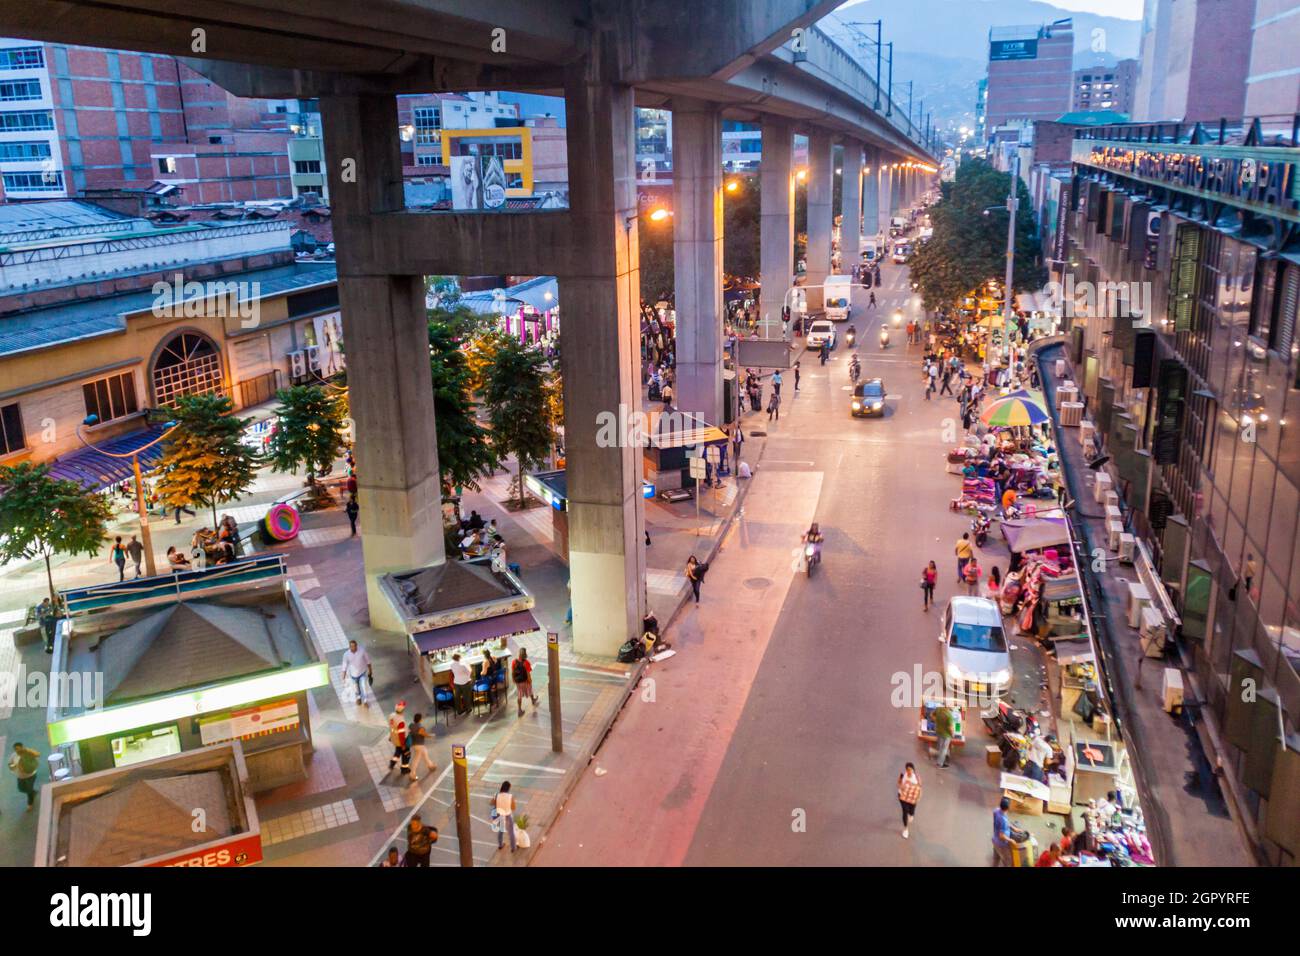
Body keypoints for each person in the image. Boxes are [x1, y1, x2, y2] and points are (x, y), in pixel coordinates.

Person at [9, 741, 39, 809]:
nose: (17, 750)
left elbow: (37, 754)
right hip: (20, 777)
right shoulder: (13, 755)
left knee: (29, 791)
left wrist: (28, 750)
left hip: (30, 776)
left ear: (22, 747)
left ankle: (30, 804)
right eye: (15, 749)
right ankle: (33, 791)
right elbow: (10, 764)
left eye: (18, 748)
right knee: (22, 789)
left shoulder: (28, 753)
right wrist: (13, 766)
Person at [408, 712, 436, 781]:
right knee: (416, 760)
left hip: (415, 744)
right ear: (420, 719)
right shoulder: (420, 727)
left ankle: (430, 766)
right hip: (419, 745)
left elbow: (410, 732)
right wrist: (431, 735)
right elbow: (423, 734)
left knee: (425, 754)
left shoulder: (411, 725)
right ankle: (412, 774)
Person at [897, 763, 922, 839]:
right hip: (903, 797)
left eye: (911, 770)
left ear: (913, 770)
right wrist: (901, 787)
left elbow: (920, 789)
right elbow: (898, 783)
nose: (909, 771)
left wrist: (918, 798)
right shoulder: (903, 775)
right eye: (907, 770)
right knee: (905, 811)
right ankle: (906, 829)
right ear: (906, 770)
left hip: (912, 798)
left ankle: (911, 814)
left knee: (911, 812)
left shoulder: (917, 778)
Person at [512, 648, 538, 716]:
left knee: (519, 695)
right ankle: (533, 700)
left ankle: (519, 710)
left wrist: (514, 679)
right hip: (525, 681)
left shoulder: (514, 661)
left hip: (518, 682)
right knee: (529, 690)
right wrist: (530, 680)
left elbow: (513, 672)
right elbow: (528, 673)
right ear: (525, 654)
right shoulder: (526, 663)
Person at [387, 700, 410, 775]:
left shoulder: (391, 716)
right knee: (406, 754)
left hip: (394, 738)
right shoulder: (400, 721)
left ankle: (392, 763)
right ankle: (404, 768)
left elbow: (391, 727)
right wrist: (403, 745)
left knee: (398, 752)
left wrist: (391, 736)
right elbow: (401, 735)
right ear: (403, 710)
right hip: (401, 741)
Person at [494, 780, 518, 852]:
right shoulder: (510, 796)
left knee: (501, 830)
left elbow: (493, 803)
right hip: (508, 815)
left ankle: (500, 845)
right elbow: (513, 807)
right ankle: (513, 848)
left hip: (500, 814)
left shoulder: (497, 795)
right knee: (511, 832)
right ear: (508, 788)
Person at [992, 796, 1016, 866]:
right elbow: (1001, 836)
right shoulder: (1003, 820)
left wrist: (1013, 827)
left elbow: (996, 823)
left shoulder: (996, 810)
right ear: (1008, 808)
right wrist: (1011, 840)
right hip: (1001, 844)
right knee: (1007, 861)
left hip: (995, 840)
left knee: (996, 859)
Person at [932, 703, 954, 768]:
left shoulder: (938, 709)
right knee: (944, 749)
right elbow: (950, 727)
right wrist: (952, 734)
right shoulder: (949, 715)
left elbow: (931, 715)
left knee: (940, 747)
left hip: (938, 732)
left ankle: (943, 759)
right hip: (946, 735)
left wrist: (936, 721)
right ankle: (940, 764)